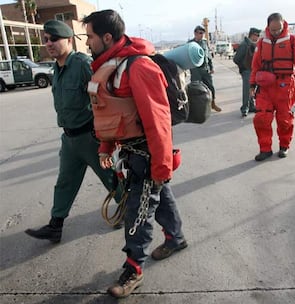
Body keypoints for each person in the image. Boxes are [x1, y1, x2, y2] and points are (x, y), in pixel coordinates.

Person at [82, 10, 187, 298]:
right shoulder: (112, 66)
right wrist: (106, 146)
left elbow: (158, 121)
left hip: (147, 155)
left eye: (89, 36)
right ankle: (176, 238)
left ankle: (133, 269)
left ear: (106, 37)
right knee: (161, 197)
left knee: (138, 213)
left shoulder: (139, 67)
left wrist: (162, 164)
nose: (87, 42)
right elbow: (112, 111)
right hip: (130, 152)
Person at [25, 20, 122, 243]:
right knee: (65, 182)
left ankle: (129, 212)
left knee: (111, 179)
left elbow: (104, 98)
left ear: (69, 40)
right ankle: (55, 226)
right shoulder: (57, 68)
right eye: (46, 39)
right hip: (69, 139)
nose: (48, 43)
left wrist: (108, 137)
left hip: (90, 137)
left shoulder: (82, 64)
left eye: (54, 39)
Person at [249, 13, 295, 161]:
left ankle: (284, 146)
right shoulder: (262, 42)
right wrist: (252, 85)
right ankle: (265, 149)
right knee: (261, 118)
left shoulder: (292, 40)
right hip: (265, 87)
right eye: (273, 30)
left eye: (278, 29)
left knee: (284, 119)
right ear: (268, 26)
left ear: (283, 25)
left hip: (285, 86)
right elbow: (255, 66)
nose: (276, 32)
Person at [189, 25, 222, 112]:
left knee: (211, 87)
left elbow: (208, 55)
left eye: (202, 33)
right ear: (195, 33)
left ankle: (213, 103)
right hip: (195, 70)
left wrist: (211, 67)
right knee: (195, 89)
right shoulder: (190, 44)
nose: (201, 35)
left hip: (205, 69)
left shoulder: (204, 42)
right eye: (200, 33)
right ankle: (196, 108)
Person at [233, 27, 261, 117]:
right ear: (252, 35)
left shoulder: (252, 44)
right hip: (247, 71)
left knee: (251, 89)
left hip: (252, 70)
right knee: (247, 90)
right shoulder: (244, 45)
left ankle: (251, 106)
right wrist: (243, 67)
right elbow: (236, 59)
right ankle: (244, 108)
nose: (258, 37)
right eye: (257, 35)